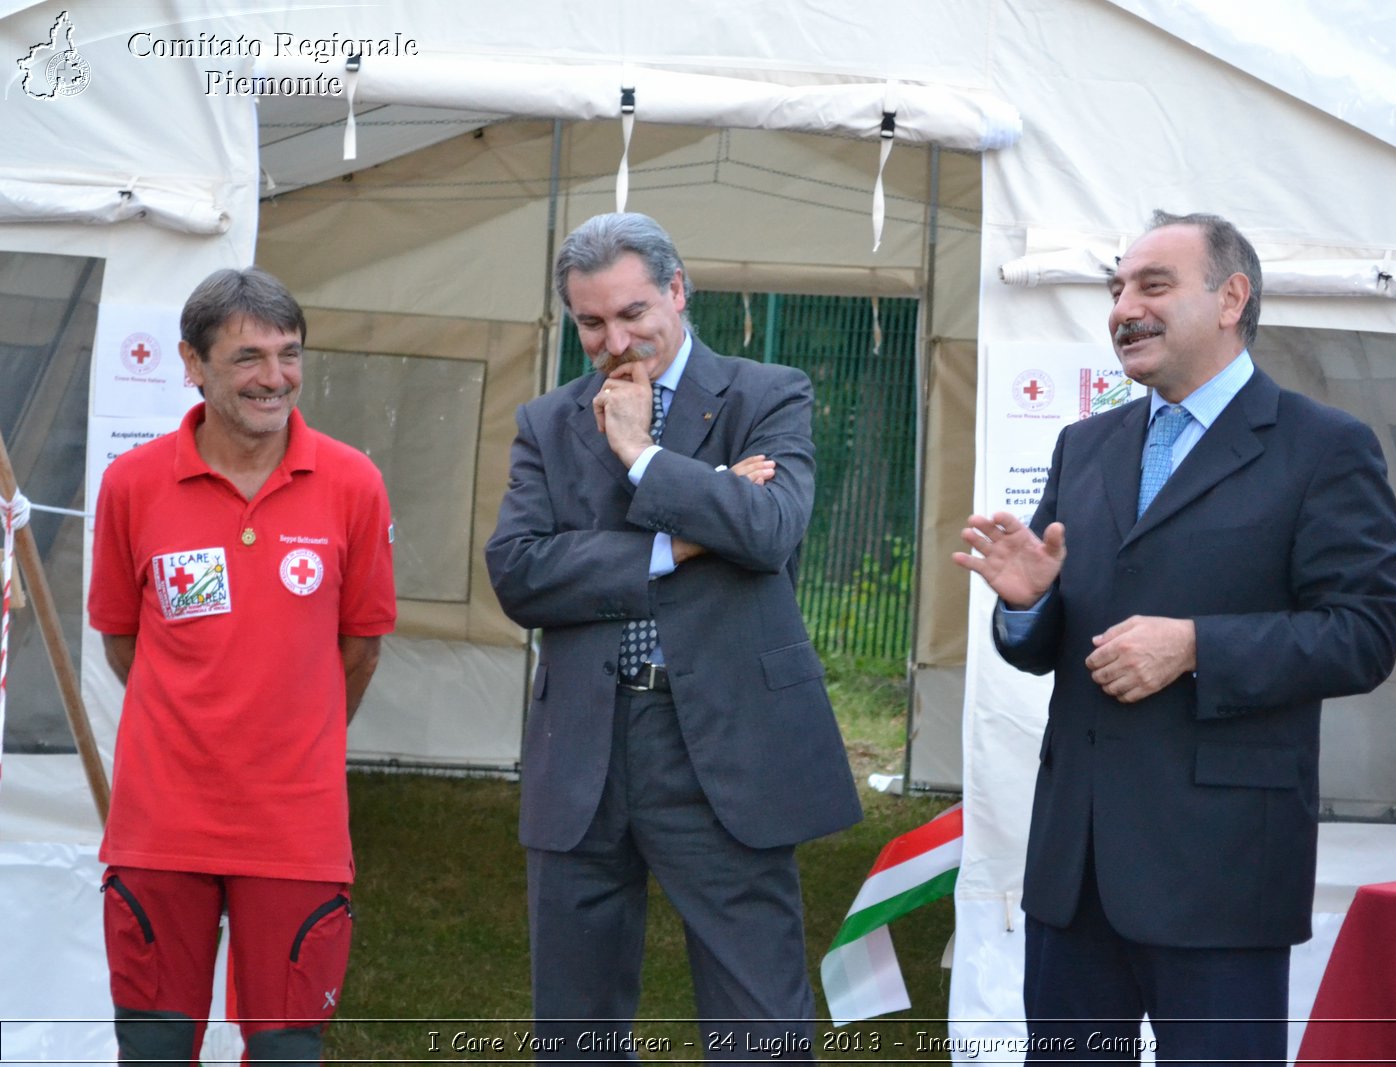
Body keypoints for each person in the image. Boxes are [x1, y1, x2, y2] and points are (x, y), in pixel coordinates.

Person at [954, 210, 1396, 1064]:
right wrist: (1027, 606)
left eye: (1152, 285)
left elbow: (1365, 632)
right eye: (1117, 288)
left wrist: (1198, 644)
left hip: (1222, 872)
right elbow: (1042, 641)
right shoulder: (1085, 445)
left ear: (1231, 297)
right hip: (1074, 869)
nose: (1124, 306)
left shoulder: (1323, 448)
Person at [485, 212, 860, 1060]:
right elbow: (519, 573)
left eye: (633, 312)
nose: (615, 339)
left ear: (679, 291)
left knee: (756, 1022)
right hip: (584, 746)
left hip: (723, 746)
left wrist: (642, 455)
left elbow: (769, 529)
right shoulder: (547, 421)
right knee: (574, 1031)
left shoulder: (767, 393)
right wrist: (678, 539)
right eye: (591, 322)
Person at [88, 268, 396, 1064]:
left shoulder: (353, 485)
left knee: (289, 1053)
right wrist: (193, 715)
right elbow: (125, 639)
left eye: (289, 354)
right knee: (153, 1052)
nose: (274, 378)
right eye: (248, 357)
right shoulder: (132, 484)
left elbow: (359, 648)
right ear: (191, 363)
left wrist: (293, 727)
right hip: (160, 828)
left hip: (295, 828)